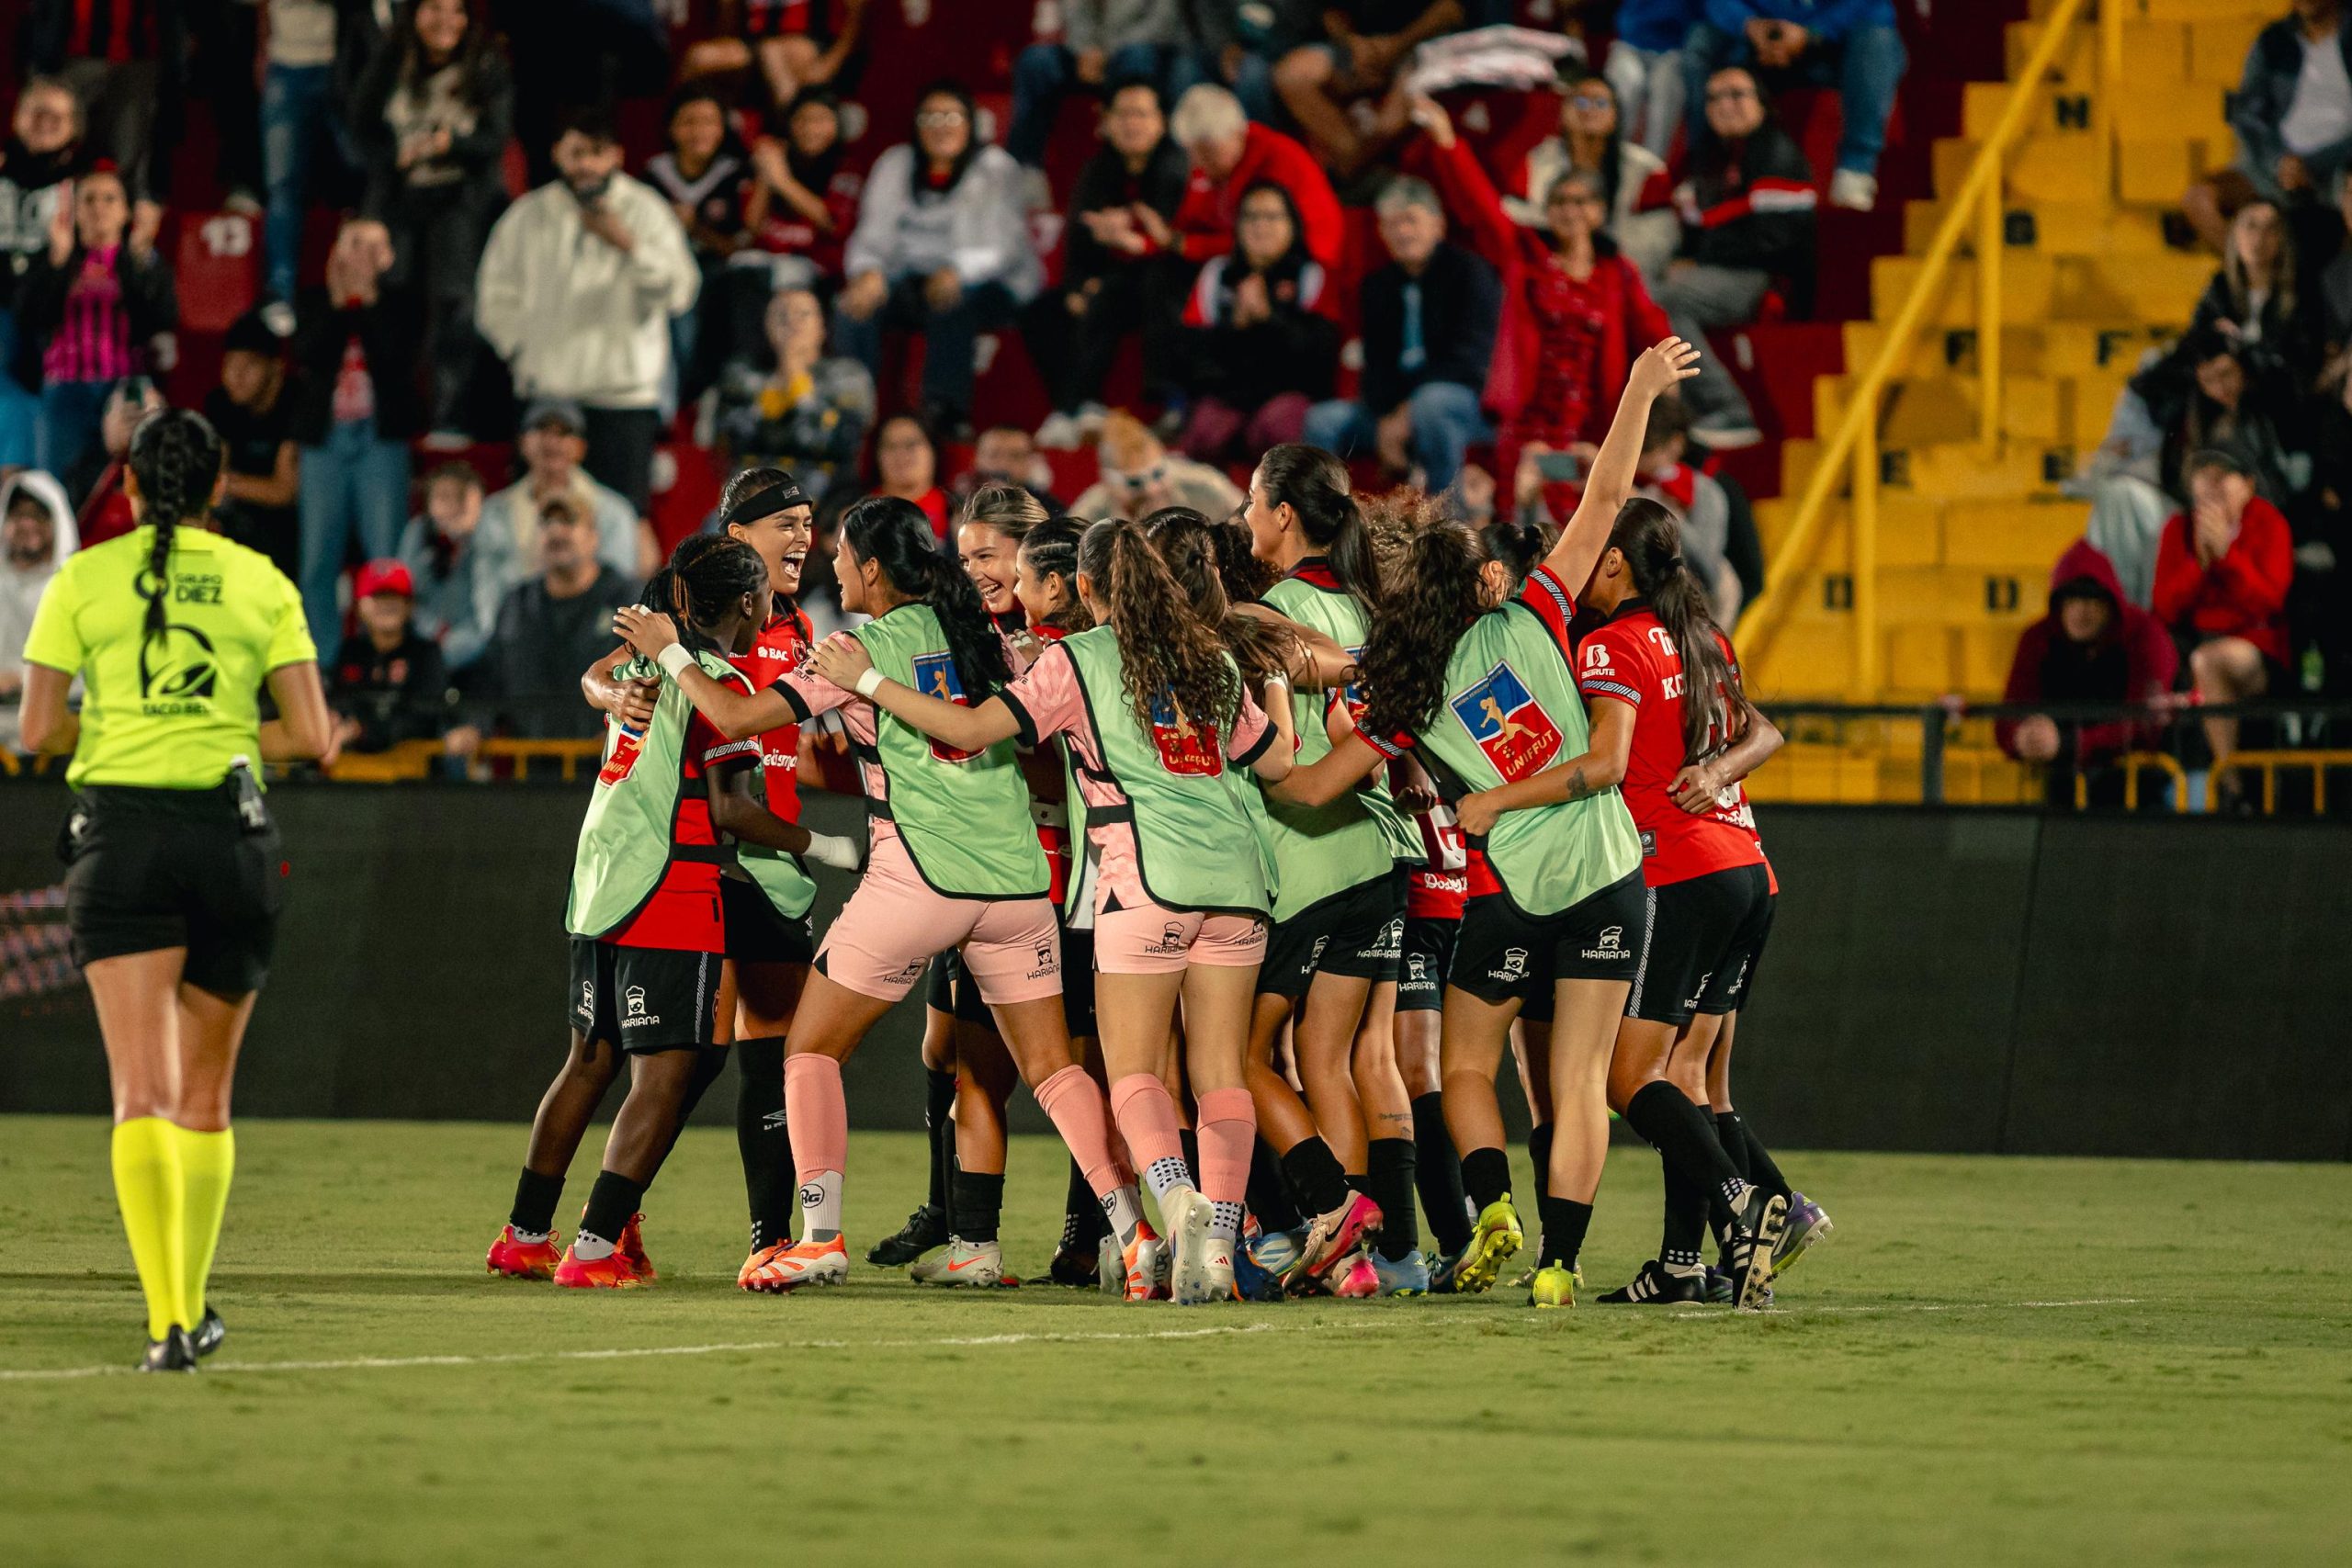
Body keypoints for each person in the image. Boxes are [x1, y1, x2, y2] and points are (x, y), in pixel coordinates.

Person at [1272, 339, 1789, 1312]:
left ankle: (1490, 1203)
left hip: (1512, 894)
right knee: (1586, 1078)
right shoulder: (1544, 610)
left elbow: (1310, 789)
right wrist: (1635, 389)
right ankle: (1560, 1262)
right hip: (1611, 877)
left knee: (1467, 1065)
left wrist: (1259, 757)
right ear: (1483, 585)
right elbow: (1603, 497)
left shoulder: (1398, 686)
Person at [613, 497, 1148, 1294]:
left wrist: (672, 654)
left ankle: (820, 1236)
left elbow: (736, 712)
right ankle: (1135, 1233)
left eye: (839, 554)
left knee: (809, 1049)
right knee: (1054, 1071)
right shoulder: (984, 640)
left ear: (868, 568)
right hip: (1014, 887)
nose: (829, 565)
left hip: (918, 880)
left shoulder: (855, 648)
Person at [813, 513, 1303, 1303]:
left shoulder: (1077, 658)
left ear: (1082, 587)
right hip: (1242, 883)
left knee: (1136, 1070)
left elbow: (972, 730)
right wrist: (1276, 681)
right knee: (1221, 1073)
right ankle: (1218, 1250)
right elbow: (1278, 762)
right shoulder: (1213, 657)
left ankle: (1176, 1200)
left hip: (1147, 880)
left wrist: (866, 682)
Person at [18, 408, 333, 1369]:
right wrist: (227, 737)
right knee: (205, 1099)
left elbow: (36, 733)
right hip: (228, 841)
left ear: (129, 487)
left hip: (120, 841)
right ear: (220, 487)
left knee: (138, 1095)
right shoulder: (260, 580)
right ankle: (190, 1307)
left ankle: (168, 1322)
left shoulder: (82, 578)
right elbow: (312, 736)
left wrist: (119, 731)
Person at [486, 534, 853, 1289]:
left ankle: (524, 1234)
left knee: (587, 1061)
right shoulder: (713, 680)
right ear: (748, 602)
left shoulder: (639, 664)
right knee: (666, 1073)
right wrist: (828, 847)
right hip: (669, 885)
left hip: (598, 882)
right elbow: (732, 810)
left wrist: (600, 689)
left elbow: (597, 677)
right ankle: (593, 1249)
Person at [1549, 496, 1812, 1307]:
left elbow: (1606, 758)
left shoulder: (1609, 644)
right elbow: (1764, 732)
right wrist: (1720, 773)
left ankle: (1744, 1206)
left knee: (1629, 1080)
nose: (1580, 565)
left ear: (1618, 562)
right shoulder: (1700, 638)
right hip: (1749, 872)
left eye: (1593, 551)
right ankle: (1683, 1257)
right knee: (1689, 1078)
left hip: (1680, 874)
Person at [572, 468, 828, 1287]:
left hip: (774, 865)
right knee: (694, 1057)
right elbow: (599, 672)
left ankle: (767, 1235)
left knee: (775, 1054)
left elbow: (801, 736)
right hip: (711, 861)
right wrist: (612, 696)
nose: (802, 538)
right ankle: (613, 1218)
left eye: (809, 522)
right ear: (734, 537)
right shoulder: (681, 620)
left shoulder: (800, 626)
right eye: (785, 522)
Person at [1235, 446, 1415, 1296]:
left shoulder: (1278, 612)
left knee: (1235, 1056)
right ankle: (1355, 1262)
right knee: (1328, 1058)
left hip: (1305, 862)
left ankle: (1328, 1207)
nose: (1243, 518)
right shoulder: (1370, 610)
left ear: (1281, 513)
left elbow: (1284, 754)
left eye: (1250, 502)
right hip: (1375, 857)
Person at [1410, 96, 1672, 490]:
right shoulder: (1527, 258)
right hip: (1527, 420)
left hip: (1592, 423)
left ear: (1599, 211)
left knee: (1582, 519)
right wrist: (1448, 141)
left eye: (1581, 202)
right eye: (1559, 203)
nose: (1570, 211)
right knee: (1526, 523)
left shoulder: (1618, 272)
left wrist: (1670, 377)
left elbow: (1653, 328)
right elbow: (1484, 209)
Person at [474, 105, 700, 513]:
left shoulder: (645, 210)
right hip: (548, 394)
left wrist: (629, 245)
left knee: (623, 522)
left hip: (623, 398)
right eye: (575, 153)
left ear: (617, 155)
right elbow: (493, 297)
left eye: (596, 153)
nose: (586, 165)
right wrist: (523, 351)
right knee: (539, 520)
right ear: (557, 154)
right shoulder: (527, 215)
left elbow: (681, 292)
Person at [832, 84, 1041, 436]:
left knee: (951, 302)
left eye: (951, 116)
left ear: (970, 124)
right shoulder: (895, 163)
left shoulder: (996, 168)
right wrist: (868, 272)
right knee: (852, 305)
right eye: (930, 116)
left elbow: (1004, 247)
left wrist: (959, 270)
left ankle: (944, 416)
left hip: (988, 281)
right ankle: (852, 411)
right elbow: (872, 233)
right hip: (908, 276)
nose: (940, 126)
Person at [349, 0, 514, 436]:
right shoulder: (392, 61)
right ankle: (394, 417)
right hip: (402, 199)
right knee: (391, 306)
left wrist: (449, 144)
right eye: (434, 9)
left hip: (461, 202)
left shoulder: (486, 66)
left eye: (456, 10)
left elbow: (495, 139)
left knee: (454, 305)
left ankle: (449, 417)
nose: (446, 21)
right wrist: (394, 155)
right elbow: (361, 126)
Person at [1303, 175, 1501, 498]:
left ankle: (1449, 524)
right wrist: (1385, 420)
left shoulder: (1471, 273)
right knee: (1322, 419)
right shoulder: (1377, 286)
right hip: (1393, 409)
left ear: (1438, 225)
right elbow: (1376, 364)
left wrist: (1405, 414)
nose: (1402, 232)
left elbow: (1469, 359)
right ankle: (1320, 523)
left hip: (1462, 402)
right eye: (1391, 224)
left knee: (1431, 404)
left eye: (1411, 220)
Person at [1654, 66, 1818, 446]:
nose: (1724, 105)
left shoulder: (1776, 153)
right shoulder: (1709, 159)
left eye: (1736, 94)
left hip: (1766, 278)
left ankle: (1730, 408)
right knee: (1656, 299)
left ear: (1761, 103)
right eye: (1713, 97)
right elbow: (1696, 233)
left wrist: (1698, 262)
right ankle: (1691, 413)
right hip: (1722, 273)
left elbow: (1777, 241)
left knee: (1663, 298)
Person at [1033, 80, 1192, 449]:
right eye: (1122, 114)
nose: (1131, 123)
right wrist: (1076, 286)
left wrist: (1132, 237)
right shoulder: (1097, 169)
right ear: (1106, 122)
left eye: (1141, 113)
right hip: (1112, 282)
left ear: (1162, 122)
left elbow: (1175, 240)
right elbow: (1078, 236)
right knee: (1043, 311)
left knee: (1143, 283)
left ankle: (1168, 399)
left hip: (1167, 281)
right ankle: (1071, 406)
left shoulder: (1177, 166)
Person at [290, 219, 424, 654]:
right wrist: (337, 302)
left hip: (380, 442)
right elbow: (308, 354)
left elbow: (393, 359)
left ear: (388, 257)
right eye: (353, 245)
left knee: (384, 558)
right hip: (325, 441)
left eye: (373, 247)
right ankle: (322, 663)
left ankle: (380, 656)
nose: (363, 256)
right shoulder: (314, 300)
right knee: (317, 561)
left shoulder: (404, 302)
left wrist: (363, 303)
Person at [17, 164, 175, 479]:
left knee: (131, 487)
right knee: (60, 488)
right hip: (65, 390)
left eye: (109, 199)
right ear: (74, 211)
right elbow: (29, 317)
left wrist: (136, 259)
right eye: (88, 200)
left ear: (126, 212)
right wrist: (57, 265)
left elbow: (159, 321)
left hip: (124, 388)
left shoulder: (145, 260)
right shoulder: (55, 257)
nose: (99, 207)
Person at [2151, 449, 2295, 790]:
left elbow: (2269, 602)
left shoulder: (2270, 524)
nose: (2211, 484)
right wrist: (2199, 565)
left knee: (2209, 662)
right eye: (2203, 476)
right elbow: (2165, 607)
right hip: (2194, 643)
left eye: (2223, 476)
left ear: (2248, 485)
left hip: (2255, 649)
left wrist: (2228, 557)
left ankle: (2230, 784)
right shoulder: (2178, 528)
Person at [1996, 541, 2180, 808]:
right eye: (2071, 600)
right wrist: (2022, 737)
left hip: (2144, 784)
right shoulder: (2038, 638)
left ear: (2111, 604)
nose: (2080, 610)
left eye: (2092, 599)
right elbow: (2008, 714)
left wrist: (2070, 744)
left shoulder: (2145, 635)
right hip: (2066, 784)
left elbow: (2147, 722)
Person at [451, 498, 641, 751]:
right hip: (529, 769)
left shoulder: (627, 600)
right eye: (547, 523)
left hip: (607, 770)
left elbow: (651, 677)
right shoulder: (517, 604)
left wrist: (627, 732)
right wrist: (475, 725)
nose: (556, 531)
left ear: (593, 537)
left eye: (568, 521)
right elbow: (490, 677)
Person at [1680, 0, 1906, 211]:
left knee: (1878, 38)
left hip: (1829, 46)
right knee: (1701, 40)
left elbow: (1870, 5)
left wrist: (1813, 34)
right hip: (1757, 43)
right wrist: (1748, 25)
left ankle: (1856, 169)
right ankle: (1705, 168)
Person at [1174, 182, 1342, 464]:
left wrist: (1268, 319)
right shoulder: (1217, 275)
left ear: (1292, 224)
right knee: (1205, 430)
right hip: (1229, 394)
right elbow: (1190, 357)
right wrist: (1236, 326)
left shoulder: (1311, 276)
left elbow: (1320, 361)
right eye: (1251, 217)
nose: (1260, 226)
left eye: (1271, 217)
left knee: (1280, 426)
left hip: (1286, 394)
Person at [2184, 0, 2352, 254]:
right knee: (2200, 200)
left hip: (2338, 171)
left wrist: (2314, 165)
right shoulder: (2274, 41)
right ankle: (2259, 282)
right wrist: (2279, 162)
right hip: (2274, 170)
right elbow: (2249, 116)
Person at [644, 85, 756, 406]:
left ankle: (705, 395)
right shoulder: (653, 177)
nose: (699, 131)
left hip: (715, 273)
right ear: (671, 128)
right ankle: (671, 399)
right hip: (663, 270)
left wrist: (696, 228)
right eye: (688, 122)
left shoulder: (734, 176)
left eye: (709, 122)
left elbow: (741, 246)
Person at [715, 288, 876, 511]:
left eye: (803, 314)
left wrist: (795, 381)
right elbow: (733, 440)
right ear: (766, 325)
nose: (791, 322)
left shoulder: (848, 376)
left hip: (825, 500)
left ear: (822, 326)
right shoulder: (741, 374)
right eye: (781, 315)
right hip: (752, 500)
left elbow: (838, 442)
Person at [1506, 73, 1679, 280]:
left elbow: (1658, 242)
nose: (1589, 110)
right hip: (1546, 272)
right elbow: (1514, 222)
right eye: (1580, 101)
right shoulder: (1536, 162)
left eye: (1601, 103)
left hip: (1623, 276)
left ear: (1616, 114)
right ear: (1563, 111)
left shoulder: (1646, 170)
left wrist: (1598, 264)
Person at [478, 400, 654, 594]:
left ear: (581, 447)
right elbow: (487, 590)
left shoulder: (614, 512)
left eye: (564, 432)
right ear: (523, 443)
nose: (552, 442)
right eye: (542, 430)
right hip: (516, 619)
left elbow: (617, 590)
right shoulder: (494, 511)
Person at [1273, 2, 1466, 178]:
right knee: (1292, 76)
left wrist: (1395, 47)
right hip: (1360, 48)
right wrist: (1353, 44)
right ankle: (1350, 159)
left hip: (1420, 46)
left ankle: (1355, 170)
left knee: (1389, 122)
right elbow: (1331, 13)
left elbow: (1451, 11)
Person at [1165, 85, 1344, 271]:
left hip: (1303, 264)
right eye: (1193, 154)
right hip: (1244, 257)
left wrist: (1184, 244)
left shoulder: (1278, 161)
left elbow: (1262, 240)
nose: (1199, 163)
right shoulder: (1213, 164)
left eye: (1208, 152)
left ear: (1237, 134)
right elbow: (1189, 221)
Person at [1008, 3, 1202, 174]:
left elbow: (1163, 22)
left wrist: (1108, 51)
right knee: (1035, 61)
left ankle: (1128, 167)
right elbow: (1075, 13)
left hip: (1149, 49)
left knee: (1136, 56)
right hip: (1091, 53)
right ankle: (1025, 166)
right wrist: (1085, 50)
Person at [0, 78, 85, 469]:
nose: (45, 122)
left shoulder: (88, 186)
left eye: (57, 115)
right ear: (17, 118)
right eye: (36, 111)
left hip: (56, 319)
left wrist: (59, 260)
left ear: (74, 127)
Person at [258, 0, 348, 309]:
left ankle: (366, 288)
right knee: (283, 185)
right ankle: (280, 291)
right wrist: (262, 50)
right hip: (285, 63)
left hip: (348, 62)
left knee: (364, 176)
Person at [202, 309, 304, 583]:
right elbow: (211, 479)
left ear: (276, 367)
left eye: (248, 365)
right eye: (229, 365)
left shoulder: (296, 402)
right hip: (239, 523)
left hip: (292, 533)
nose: (236, 376)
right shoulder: (221, 403)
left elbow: (285, 492)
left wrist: (228, 484)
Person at [740, 89, 865, 304]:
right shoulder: (779, 159)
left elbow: (833, 223)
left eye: (821, 120)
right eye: (802, 119)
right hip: (767, 263)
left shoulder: (846, 168)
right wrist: (766, 173)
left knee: (778, 276)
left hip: (819, 270)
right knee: (741, 269)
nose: (810, 128)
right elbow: (752, 227)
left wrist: (782, 180)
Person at [328, 558, 453, 753]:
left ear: (410, 605)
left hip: (413, 773)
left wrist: (363, 730)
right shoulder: (350, 651)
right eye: (377, 597)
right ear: (360, 605)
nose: (386, 605)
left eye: (395, 597)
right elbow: (338, 703)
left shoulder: (426, 654)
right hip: (350, 768)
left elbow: (426, 720)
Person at [0, 468, 76, 750]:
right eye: (18, 515)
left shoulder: (75, 591)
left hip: (56, 738)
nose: (27, 524)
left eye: (39, 516)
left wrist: (23, 680)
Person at [397, 462, 498, 671]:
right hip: (424, 637)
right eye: (442, 497)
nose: (451, 506)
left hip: (476, 639)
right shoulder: (418, 531)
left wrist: (469, 534)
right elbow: (405, 591)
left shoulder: (488, 535)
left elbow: (489, 609)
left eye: (460, 498)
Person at [1067, 408, 1243, 523]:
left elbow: (1254, 529)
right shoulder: (1087, 516)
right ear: (1108, 483)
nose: (1151, 489)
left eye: (1158, 474)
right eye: (1134, 483)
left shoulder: (1206, 486)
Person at [1605, 0, 1699, 158]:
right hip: (1630, 43)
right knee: (1627, 81)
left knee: (1665, 89)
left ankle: (1652, 167)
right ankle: (1612, 160)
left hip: (1676, 49)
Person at [954, 425, 1069, 517]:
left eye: (1015, 456)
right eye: (994, 455)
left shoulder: (1048, 508)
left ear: (1030, 462)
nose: (1003, 465)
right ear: (976, 459)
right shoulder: (954, 504)